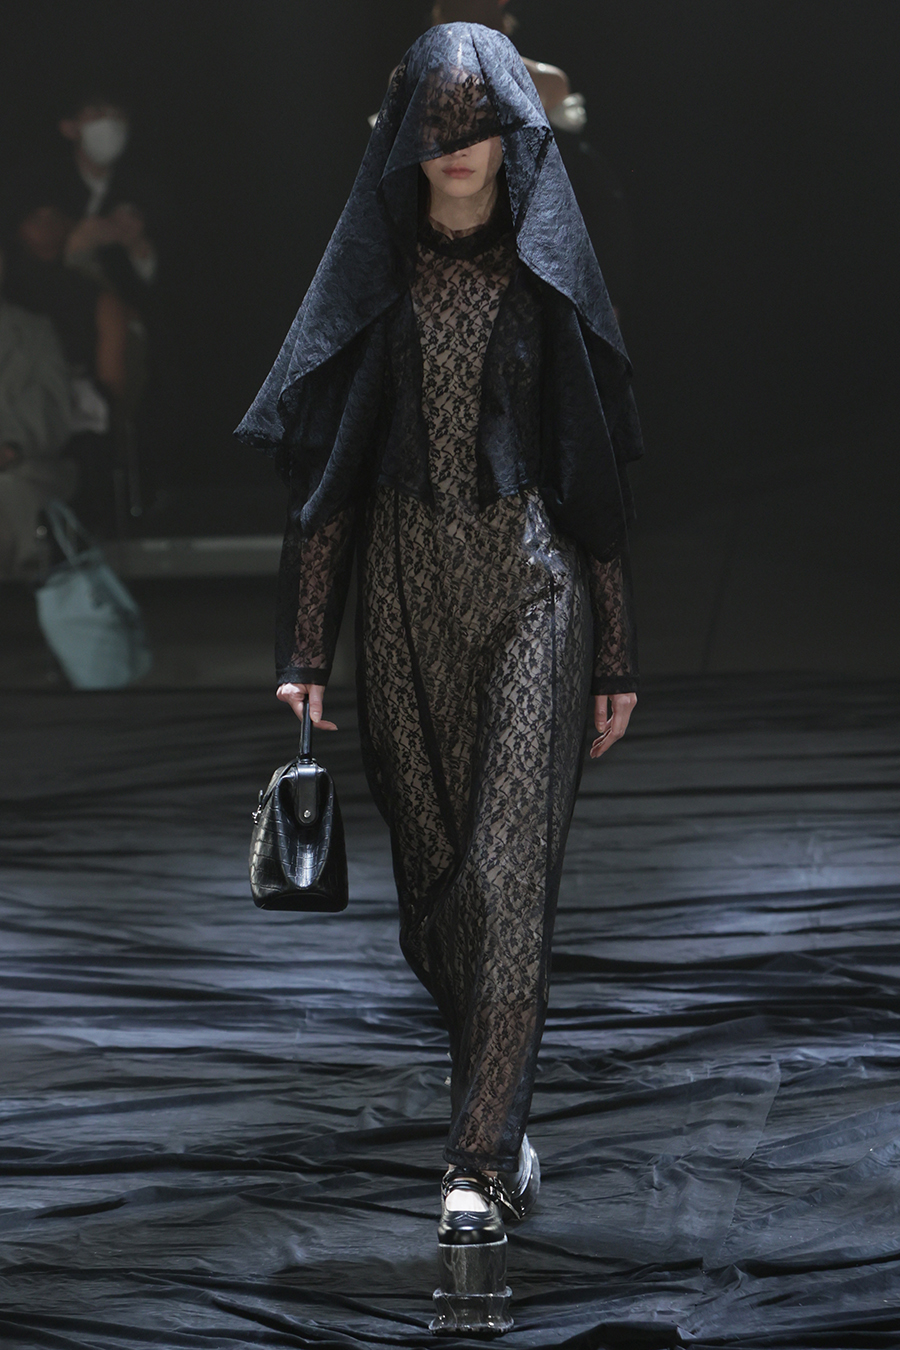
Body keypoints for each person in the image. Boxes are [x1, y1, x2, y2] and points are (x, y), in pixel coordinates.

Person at [236, 23, 641, 1334]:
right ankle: (500, 1113)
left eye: (478, 128)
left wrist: (615, 646)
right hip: (404, 594)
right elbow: (333, 476)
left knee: (509, 876)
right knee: (437, 898)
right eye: (439, 129)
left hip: (533, 582)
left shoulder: (543, 269)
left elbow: (593, 473)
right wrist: (305, 649)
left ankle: (475, 1167)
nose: (458, 152)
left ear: (510, 136)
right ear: (409, 139)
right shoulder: (380, 274)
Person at [0, 244, 74, 579]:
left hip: (23, 469)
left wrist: (11, 444)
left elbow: (52, 406)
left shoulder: (34, 331)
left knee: (11, 495)